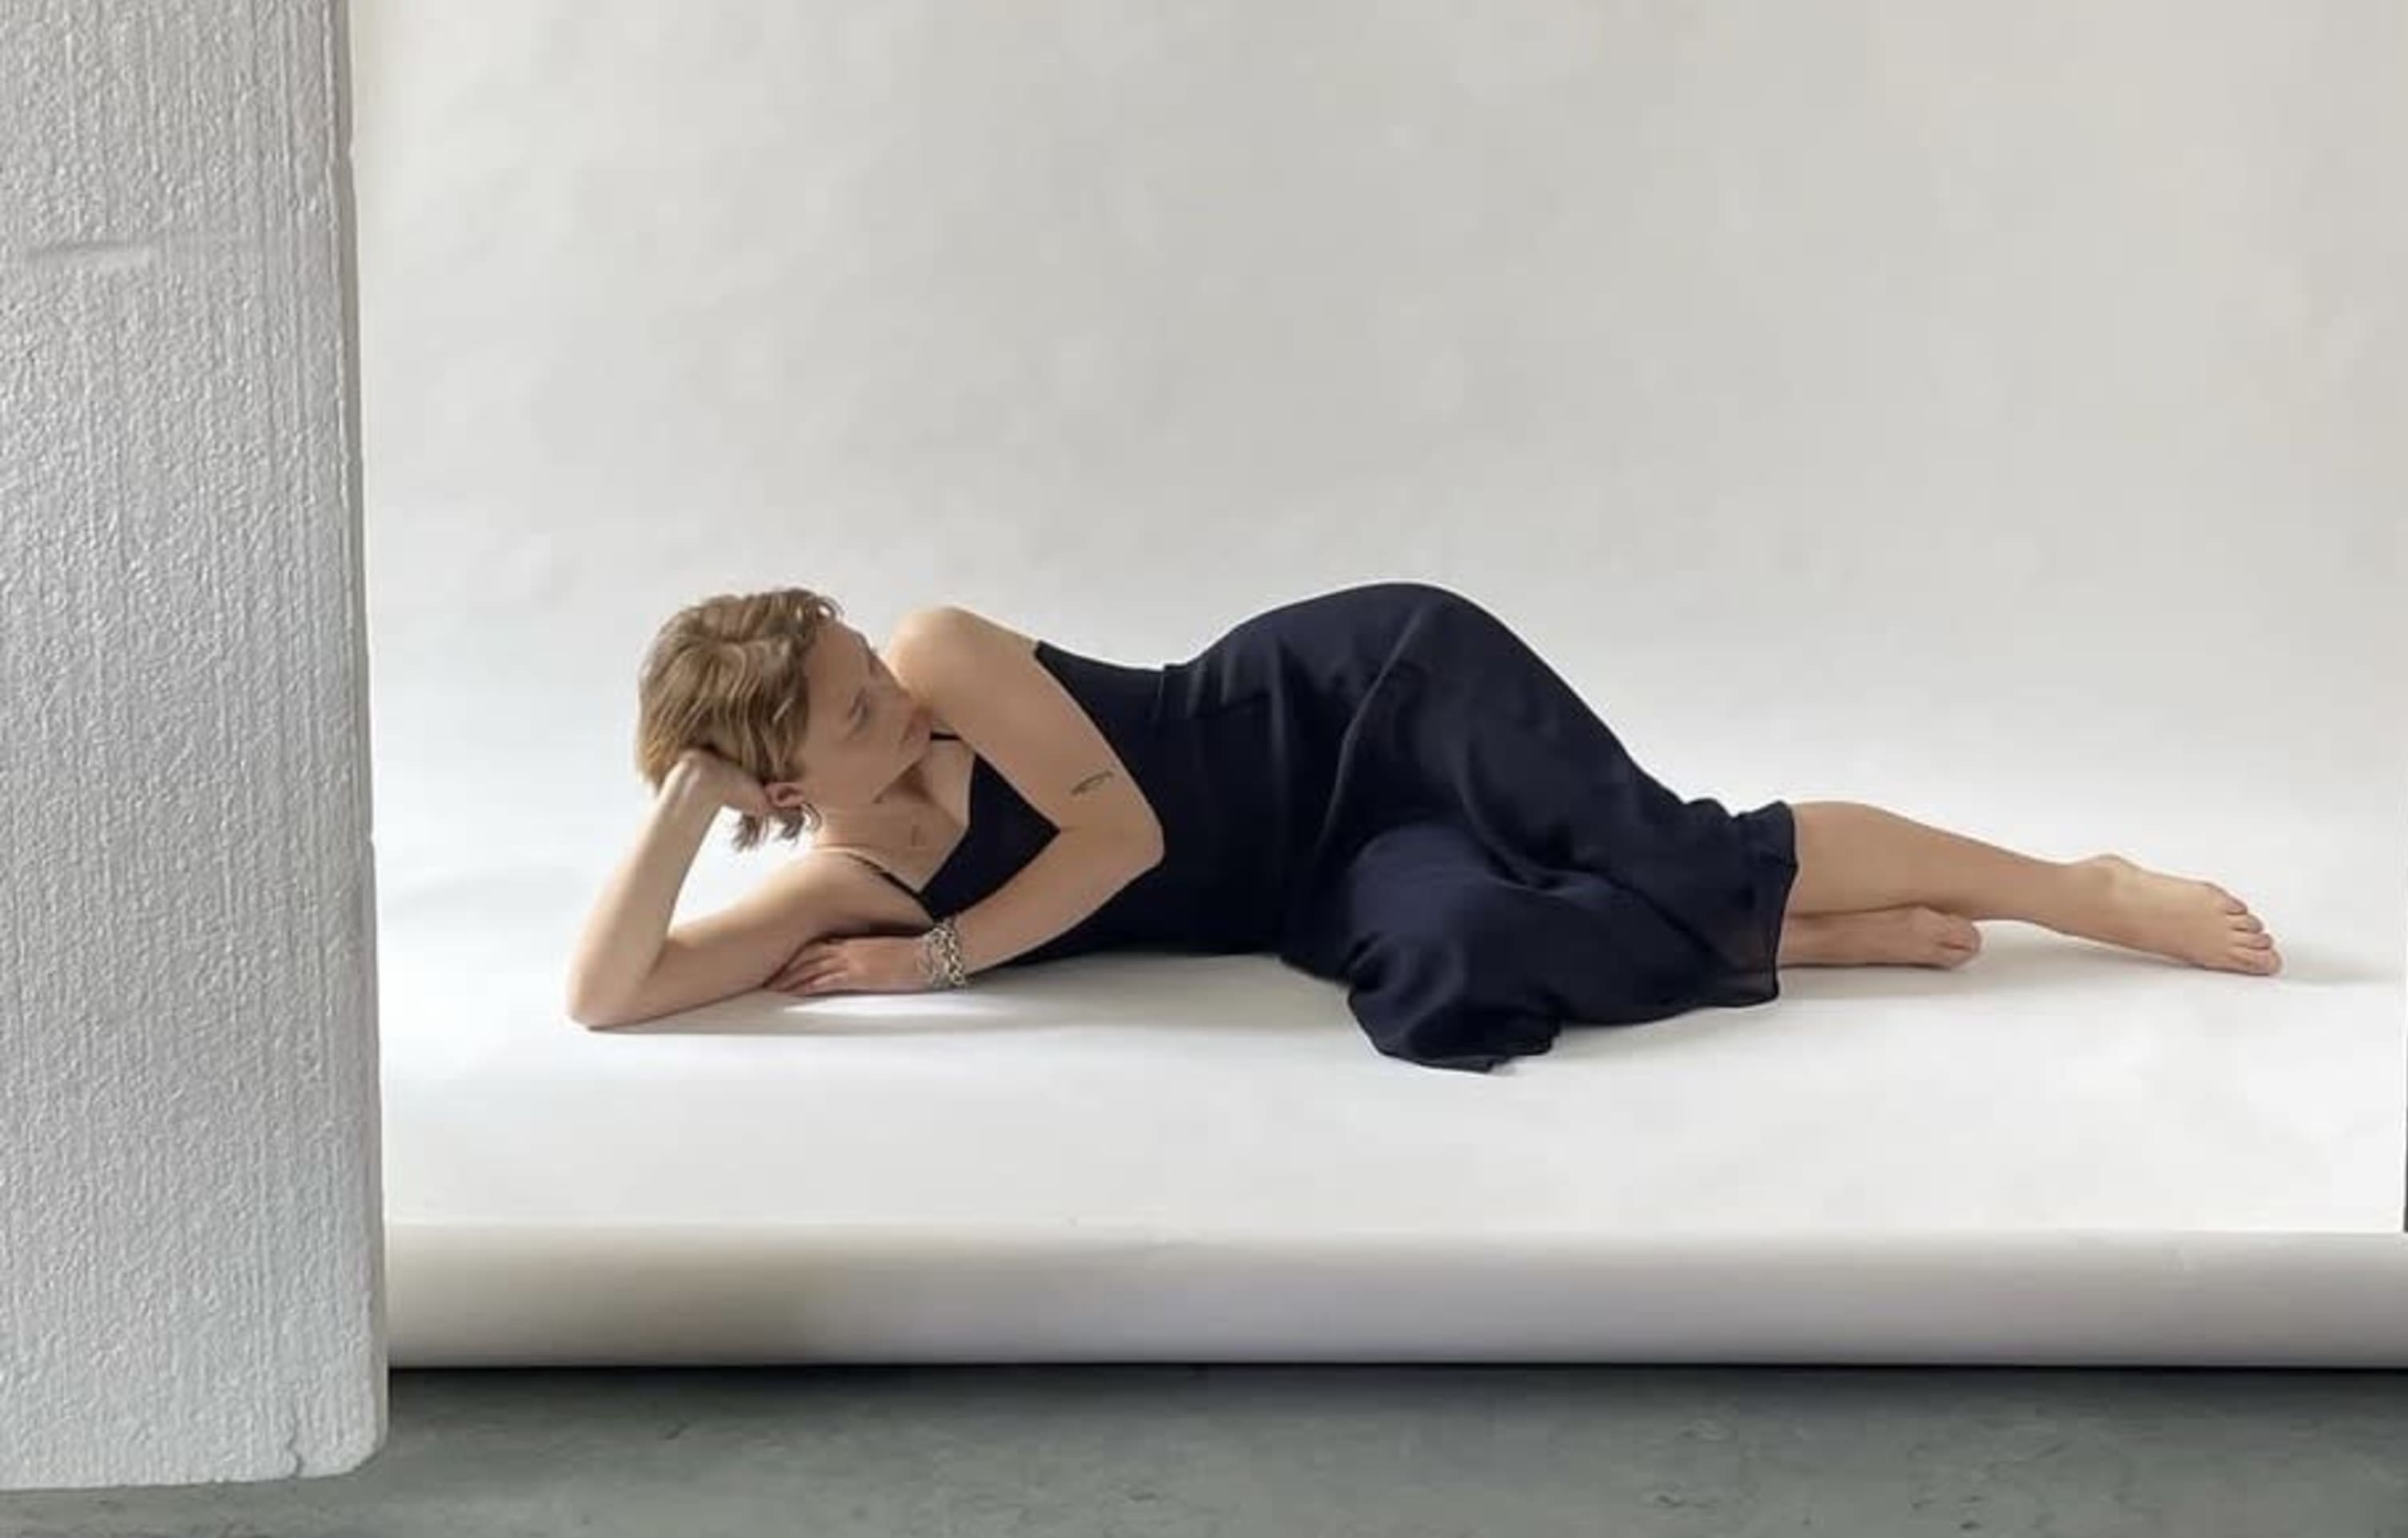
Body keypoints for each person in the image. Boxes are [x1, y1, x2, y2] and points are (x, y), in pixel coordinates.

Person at [566, 578, 2279, 1065]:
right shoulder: (836, 873)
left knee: (1668, 843)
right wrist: (682, 812)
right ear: (784, 787)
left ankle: (2081, 888)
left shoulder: (943, 651)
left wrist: (933, 961)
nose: (895, 696)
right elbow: (612, 996)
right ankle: (1813, 932)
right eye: (851, 717)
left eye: (864, 663)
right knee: (1454, 969)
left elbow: (1124, 849)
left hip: (1358, 697)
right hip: (1314, 878)